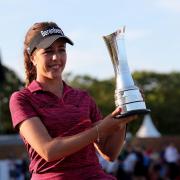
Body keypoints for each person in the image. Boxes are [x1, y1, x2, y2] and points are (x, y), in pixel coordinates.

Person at [9, 21, 137, 180]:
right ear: (32, 57)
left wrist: (123, 117)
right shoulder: (22, 99)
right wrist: (100, 129)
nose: (56, 57)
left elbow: (110, 153)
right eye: (48, 51)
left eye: (61, 50)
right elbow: (49, 151)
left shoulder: (83, 97)